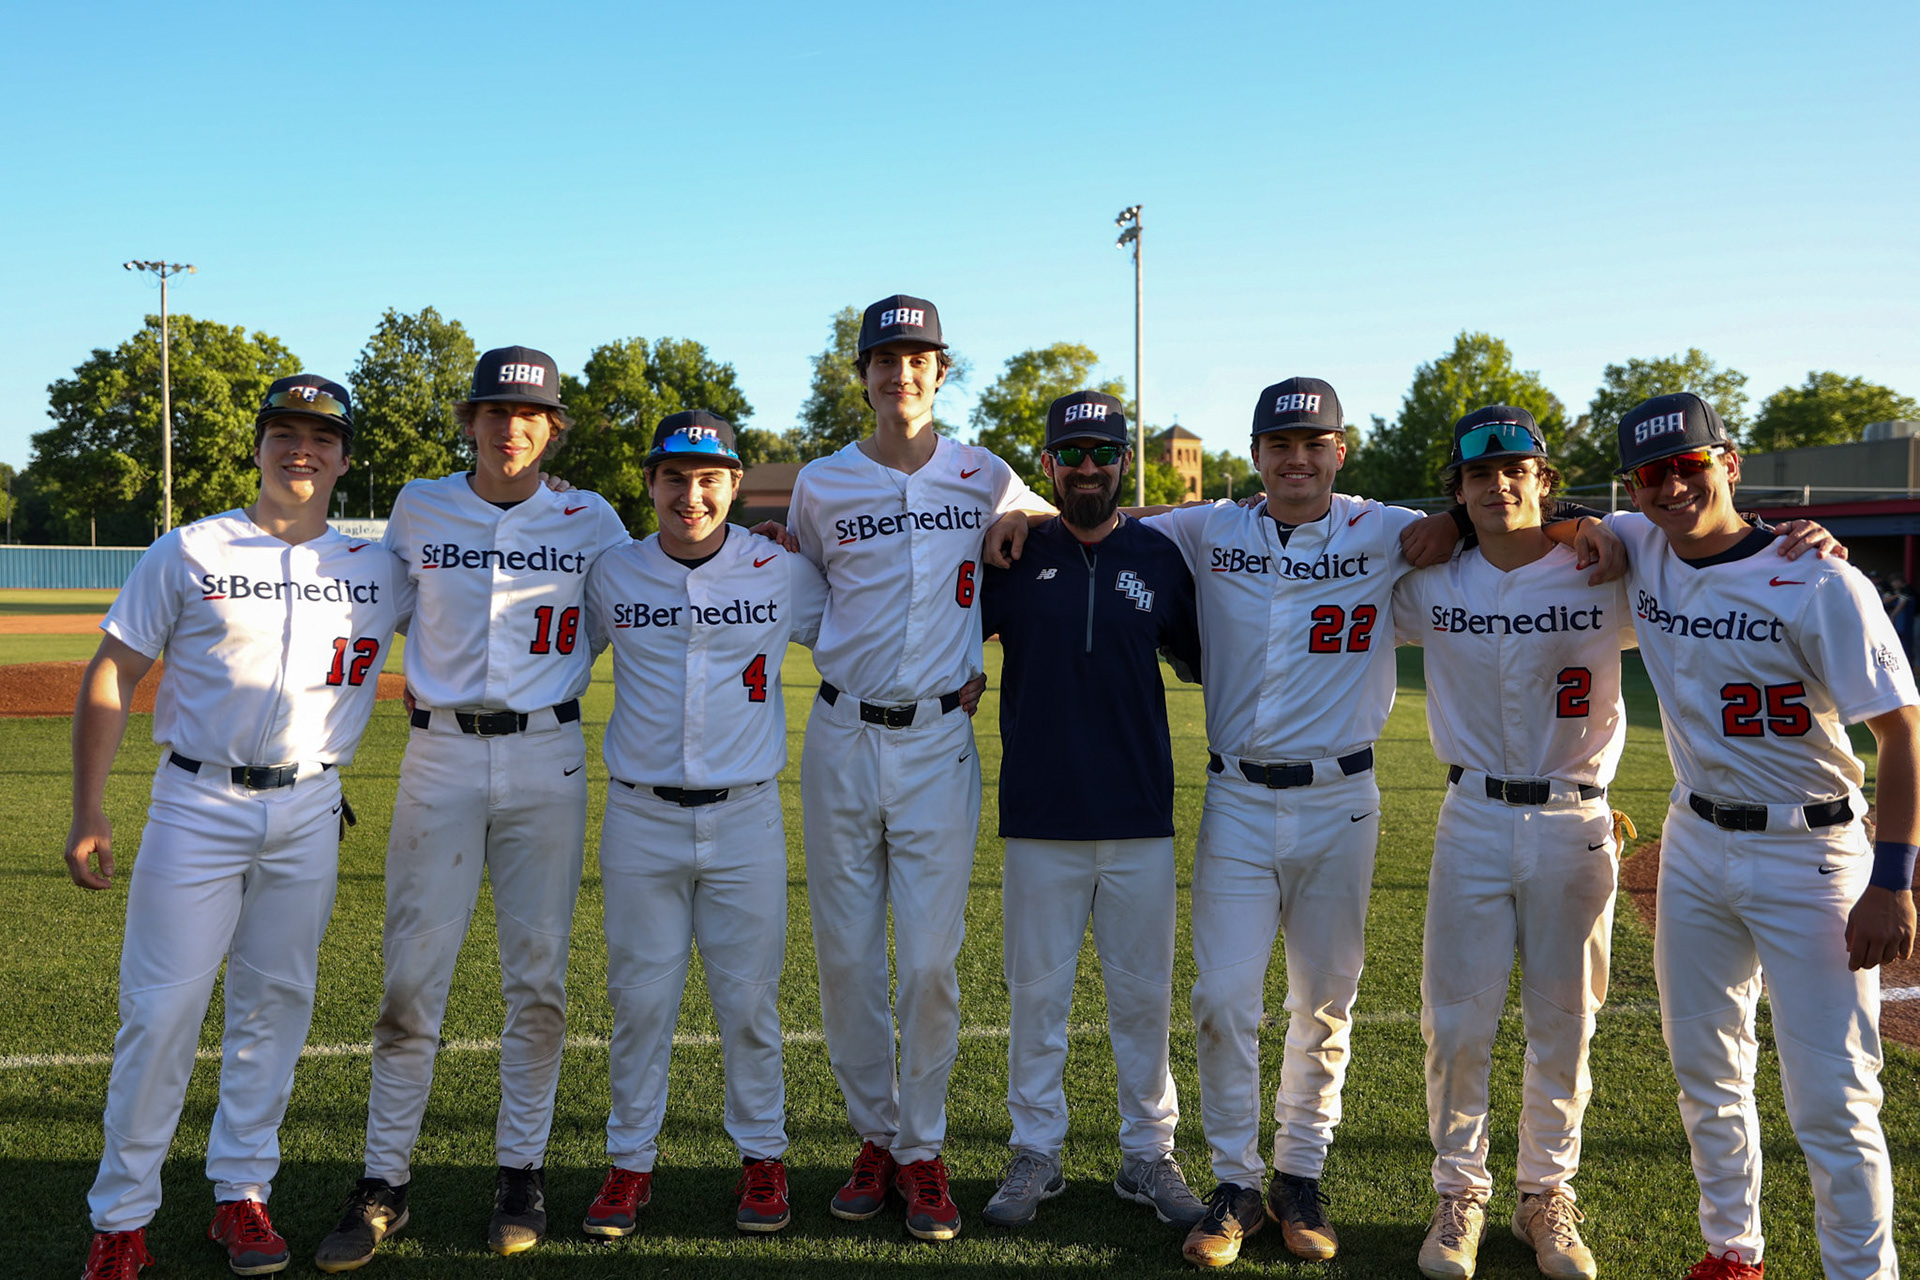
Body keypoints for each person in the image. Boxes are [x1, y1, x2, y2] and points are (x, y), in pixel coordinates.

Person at [67, 377, 406, 1280]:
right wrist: (89, 807)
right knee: (162, 1010)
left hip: (308, 806)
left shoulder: (379, 566)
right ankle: (121, 1217)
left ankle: (241, 1196)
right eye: (286, 433)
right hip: (197, 803)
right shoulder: (189, 549)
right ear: (257, 446)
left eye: (322, 437)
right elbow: (113, 671)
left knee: (276, 1009)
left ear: (343, 456)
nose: (304, 450)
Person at [314, 347, 629, 1270]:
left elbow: (635, 603)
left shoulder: (592, 517)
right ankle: (385, 1180)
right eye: (493, 411)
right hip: (440, 755)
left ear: (553, 427)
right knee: (412, 979)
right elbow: (378, 604)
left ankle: (520, 1170)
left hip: (547, 755)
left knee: (537, 978)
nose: (510, 426)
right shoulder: (420, 505)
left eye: (528, 414)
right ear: (471, 422)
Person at [1604, 393, 1916, 1280]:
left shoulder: (1820, 576)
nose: (1671, 487)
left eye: (1688, 466)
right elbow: (1552, 525)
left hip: (1812, 853)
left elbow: (1901, 733)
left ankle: (1861, 1272)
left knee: (1834, 1097)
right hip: (1695, 844)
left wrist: (1890, 881)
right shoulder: (1641, 548)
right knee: (1706, 1070)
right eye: (1651, 473)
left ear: (1727, 463)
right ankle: (1733, 1250)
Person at [784, 294, 1045, 1241]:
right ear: (862, 376)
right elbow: (806, 582)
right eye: (884, 360)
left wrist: (1019, 521)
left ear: (941, 372)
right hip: (843, 734)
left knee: (932, 962)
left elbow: (1048, 518)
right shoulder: (821, 483)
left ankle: (924, 1148)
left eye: (918, 358)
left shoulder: (987, 474)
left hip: (940, 739)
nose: (901, 373)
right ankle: (878, 1140)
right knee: (848, 958)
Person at [1393, 407, 1633, 1280]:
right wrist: (1449, 528)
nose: (1503, 485)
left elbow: (1706, 539)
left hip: (1576, 816)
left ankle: (1546, 1194)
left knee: (1565, 1022)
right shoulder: (1428, 580)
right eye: (1480, 476)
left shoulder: (1606, 563)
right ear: (1457, 492)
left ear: (1544, 480)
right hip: (1473, 816)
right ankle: (1459, 1191)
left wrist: (1796, 535)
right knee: (1456, 1021)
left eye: (1520, 472)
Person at [577, 411, 826, 1238]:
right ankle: (630, 1164)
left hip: (746, 813)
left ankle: (762, 1160)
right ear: (649, 483)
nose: (692, 494)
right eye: (676, 478)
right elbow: (561, 657)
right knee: (639, 1002)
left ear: (735, 485)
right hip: (641, 816)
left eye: (710, 479)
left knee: (748, 1003)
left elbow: (852, 633)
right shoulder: (612, 572)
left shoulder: (778, 568)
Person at [975, 390, 1207, 1230]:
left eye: (1102, 454)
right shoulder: (1012, 552)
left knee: (1143, 999)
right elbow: (953, 630)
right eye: (1070, 454)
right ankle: (1037, 1150)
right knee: (1037, 1000)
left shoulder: (1160, 554)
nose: (1086, 468)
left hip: (1139, 814)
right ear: (1047, 466)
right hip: (1039, 816)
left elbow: (1199, 655)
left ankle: (1148, 1155)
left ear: (1122, 464)